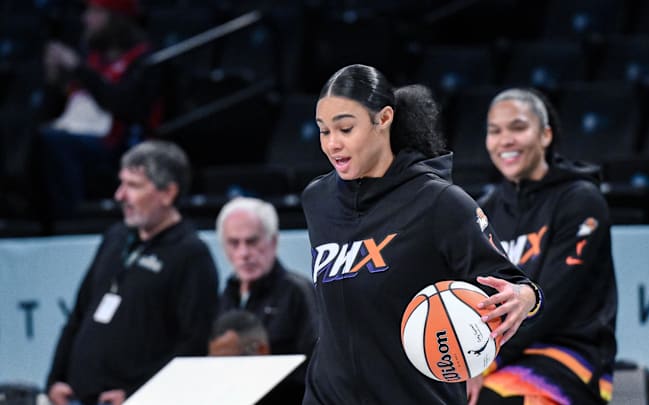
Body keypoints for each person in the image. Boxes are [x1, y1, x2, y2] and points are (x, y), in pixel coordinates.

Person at [300, 64, 543, 405]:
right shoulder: (317, 200)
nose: (333, 144)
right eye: (324, 131)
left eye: (345, 128)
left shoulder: (440, 203)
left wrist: (524, 298)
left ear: (383, 119)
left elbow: (514, 284)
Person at [466, 88, 618, 404]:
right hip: (497, 352)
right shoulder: (484, 211)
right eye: (495, 131)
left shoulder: (581, 200)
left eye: (518, 128)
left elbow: (553, 300)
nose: (505, 140)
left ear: (545, 135)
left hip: (571, 355)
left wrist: (483, 362)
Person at [46, 140, 219, 405]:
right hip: (77, 398)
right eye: (121, 183)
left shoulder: (191, 254)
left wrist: (138, 392)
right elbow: (79, 315)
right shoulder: (115, 238)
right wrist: (55, 379)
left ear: (167, 193)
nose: (120, 196)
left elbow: (193, 345)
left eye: (133, 186)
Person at [39, 0, 164, 219]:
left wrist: (80, 70)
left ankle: (71, 220)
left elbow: (123, 105)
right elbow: (53, 114)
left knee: (54, 143)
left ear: (115, 18)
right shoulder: (92, 60)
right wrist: (54, 80)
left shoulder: (142, 62)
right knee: (37, 138)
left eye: (95, 12)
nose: (86, 19)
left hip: (116, 144)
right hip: (73, 132)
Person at [216, 196, 317, 403]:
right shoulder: (226, 296)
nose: (243, 253)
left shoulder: (297, 292)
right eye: (234, 243)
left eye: (252, 241)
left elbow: (317, 366)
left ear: (273, 241)